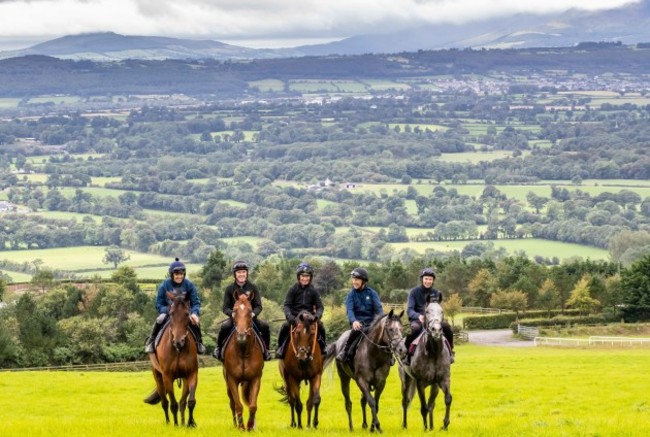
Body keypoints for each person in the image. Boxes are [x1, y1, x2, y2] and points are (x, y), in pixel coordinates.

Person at [144, 258, 206, 355]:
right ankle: (151, 341)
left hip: (185, 313)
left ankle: (199, 343)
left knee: (196, 322)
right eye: (176, 274)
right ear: (172, 274)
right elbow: (158, 303)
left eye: (181, 274)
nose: (179, 276)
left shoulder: (189, 285)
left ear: (184, 274)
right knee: (159, 319)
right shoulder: (164, 285)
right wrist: (167, 310)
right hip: (169, 312)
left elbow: (195, 302)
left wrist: (194, 313)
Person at [213, 260, 272, 361]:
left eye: (243, 272)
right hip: (235, 318)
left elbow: (259, 306)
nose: (241, 274)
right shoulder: (229, 289)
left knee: (265, 326)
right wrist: (232, 314)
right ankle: (219, 349)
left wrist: (253, 313)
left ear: (247, 273)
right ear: (235, 274)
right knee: (224, 327)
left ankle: (266, 350)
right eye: (239, 272)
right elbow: (225, 308)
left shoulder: (253, 287)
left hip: (250, 318)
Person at [275, 262, 326, 359]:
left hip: (310, 318)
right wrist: (290, 317)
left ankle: (323, 347)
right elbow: (287, 305)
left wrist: (317, 317)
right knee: (284, 326)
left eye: (307, 276)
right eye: (303, 276)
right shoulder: (293, 289)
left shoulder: (313, 291)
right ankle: (280, 348)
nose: (305, 278)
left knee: (321, 326)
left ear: (310, 277)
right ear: (299, 277)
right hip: (295, 318)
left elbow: (320, 307)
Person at [404, 267, 455, 364]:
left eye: (430, 279)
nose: (428, 281)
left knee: (447, 328)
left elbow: (439, 309)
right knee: (414, 330)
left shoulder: (436, 293)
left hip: (434, 320)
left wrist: (438, 319)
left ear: (433, 281)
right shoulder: (414, 292)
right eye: (426, 279)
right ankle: (407, 354)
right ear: (422, 279)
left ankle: (451, 352)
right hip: (419, 320)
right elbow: (409, 310)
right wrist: (418, 316)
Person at [338, 267, 384, 363]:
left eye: (357, 280)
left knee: (385, 334)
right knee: (355, 332)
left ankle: (389, 356)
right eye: (353, 279)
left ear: (363, 281)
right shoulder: (351, 295)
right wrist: (354, 321)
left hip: (372, 324)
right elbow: (350, 310)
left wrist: (382, 322)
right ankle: (345, 352)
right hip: (358, 324)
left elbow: (379, 310)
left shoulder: (372, 293)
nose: (354, 282)